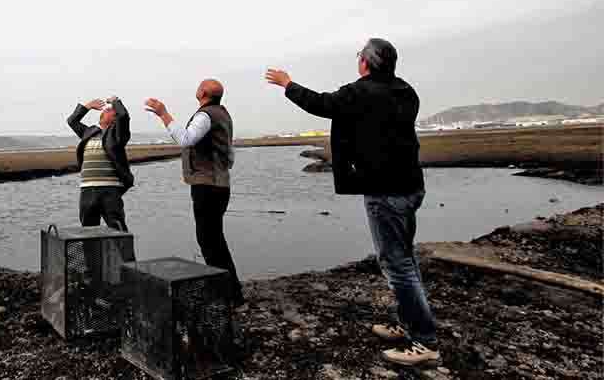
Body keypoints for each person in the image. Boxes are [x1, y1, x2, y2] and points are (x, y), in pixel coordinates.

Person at [265, 38, 439, 367]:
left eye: (360, 55)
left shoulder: (361, 92)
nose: (358, 60)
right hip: (411, 185)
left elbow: (321, 104)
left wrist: (288, 84)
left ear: (366, 63)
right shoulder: (406, 91)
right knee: (405, 258)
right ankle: (410, 323)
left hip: (385, 191)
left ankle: (424, 341)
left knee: (397, 265)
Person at [144, 79, 244, 306]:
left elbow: (185, 139)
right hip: (219, 184)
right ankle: (230, 292)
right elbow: (230, 155)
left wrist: (163, 113)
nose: (196, 87)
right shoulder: (223, 115)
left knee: (209, 240)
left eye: (199, 86)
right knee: (214, 239)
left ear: (203, 93)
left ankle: (226, 294)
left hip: (207, 186)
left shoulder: (205, 115)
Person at [66, 95, 134, 232]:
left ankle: (122, 248)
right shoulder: (89, 132)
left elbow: (124, 116)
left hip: (110, 190)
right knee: (88, 232)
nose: (106, 110)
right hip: (87, 190)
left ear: (115, 119)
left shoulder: (118, 135)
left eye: (110, 110)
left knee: (118, 230)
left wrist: (115, 102)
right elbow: (72, 121)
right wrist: (87, 106)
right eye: (106, 109)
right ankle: (93, 248)